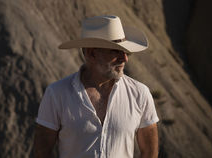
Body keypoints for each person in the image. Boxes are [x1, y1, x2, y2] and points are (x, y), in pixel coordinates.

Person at [34, 15, 159, 158]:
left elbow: (150, 153)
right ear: (91, 53)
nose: (125, 58)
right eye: (115, 51)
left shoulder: (139, 94)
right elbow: (42, 151)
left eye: (125, 52)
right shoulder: (57, 93)